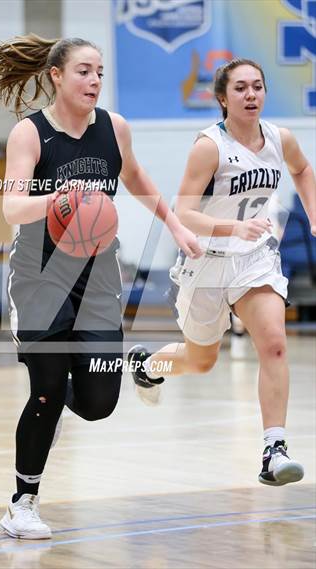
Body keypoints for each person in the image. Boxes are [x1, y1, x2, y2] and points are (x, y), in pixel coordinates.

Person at [0, 34, 202, 539]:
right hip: (39, 278)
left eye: (99, 72)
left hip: (96, 279)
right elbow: (11, 206)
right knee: (47, 389)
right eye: (84, 71)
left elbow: (136, 177)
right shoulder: (30, 135)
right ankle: (22, 504)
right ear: (56, 75)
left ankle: (121, 365)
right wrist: (61, 200)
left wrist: (177, 226)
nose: (95, 80)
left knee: (97, 404)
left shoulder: (114, 128)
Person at [129, 58, 315, 487]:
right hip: (207, 261)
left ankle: (274, 448)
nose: (251, 95)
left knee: (274, 345)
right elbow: (184, 213)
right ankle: (148, 366)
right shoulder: (209, 146)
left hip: (255, 258)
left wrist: (314, 212)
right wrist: (233, 226)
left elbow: (303, 170)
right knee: (201, 360)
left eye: (258, 86)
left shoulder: (279, 139)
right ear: (222, 98)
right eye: (240, 88)